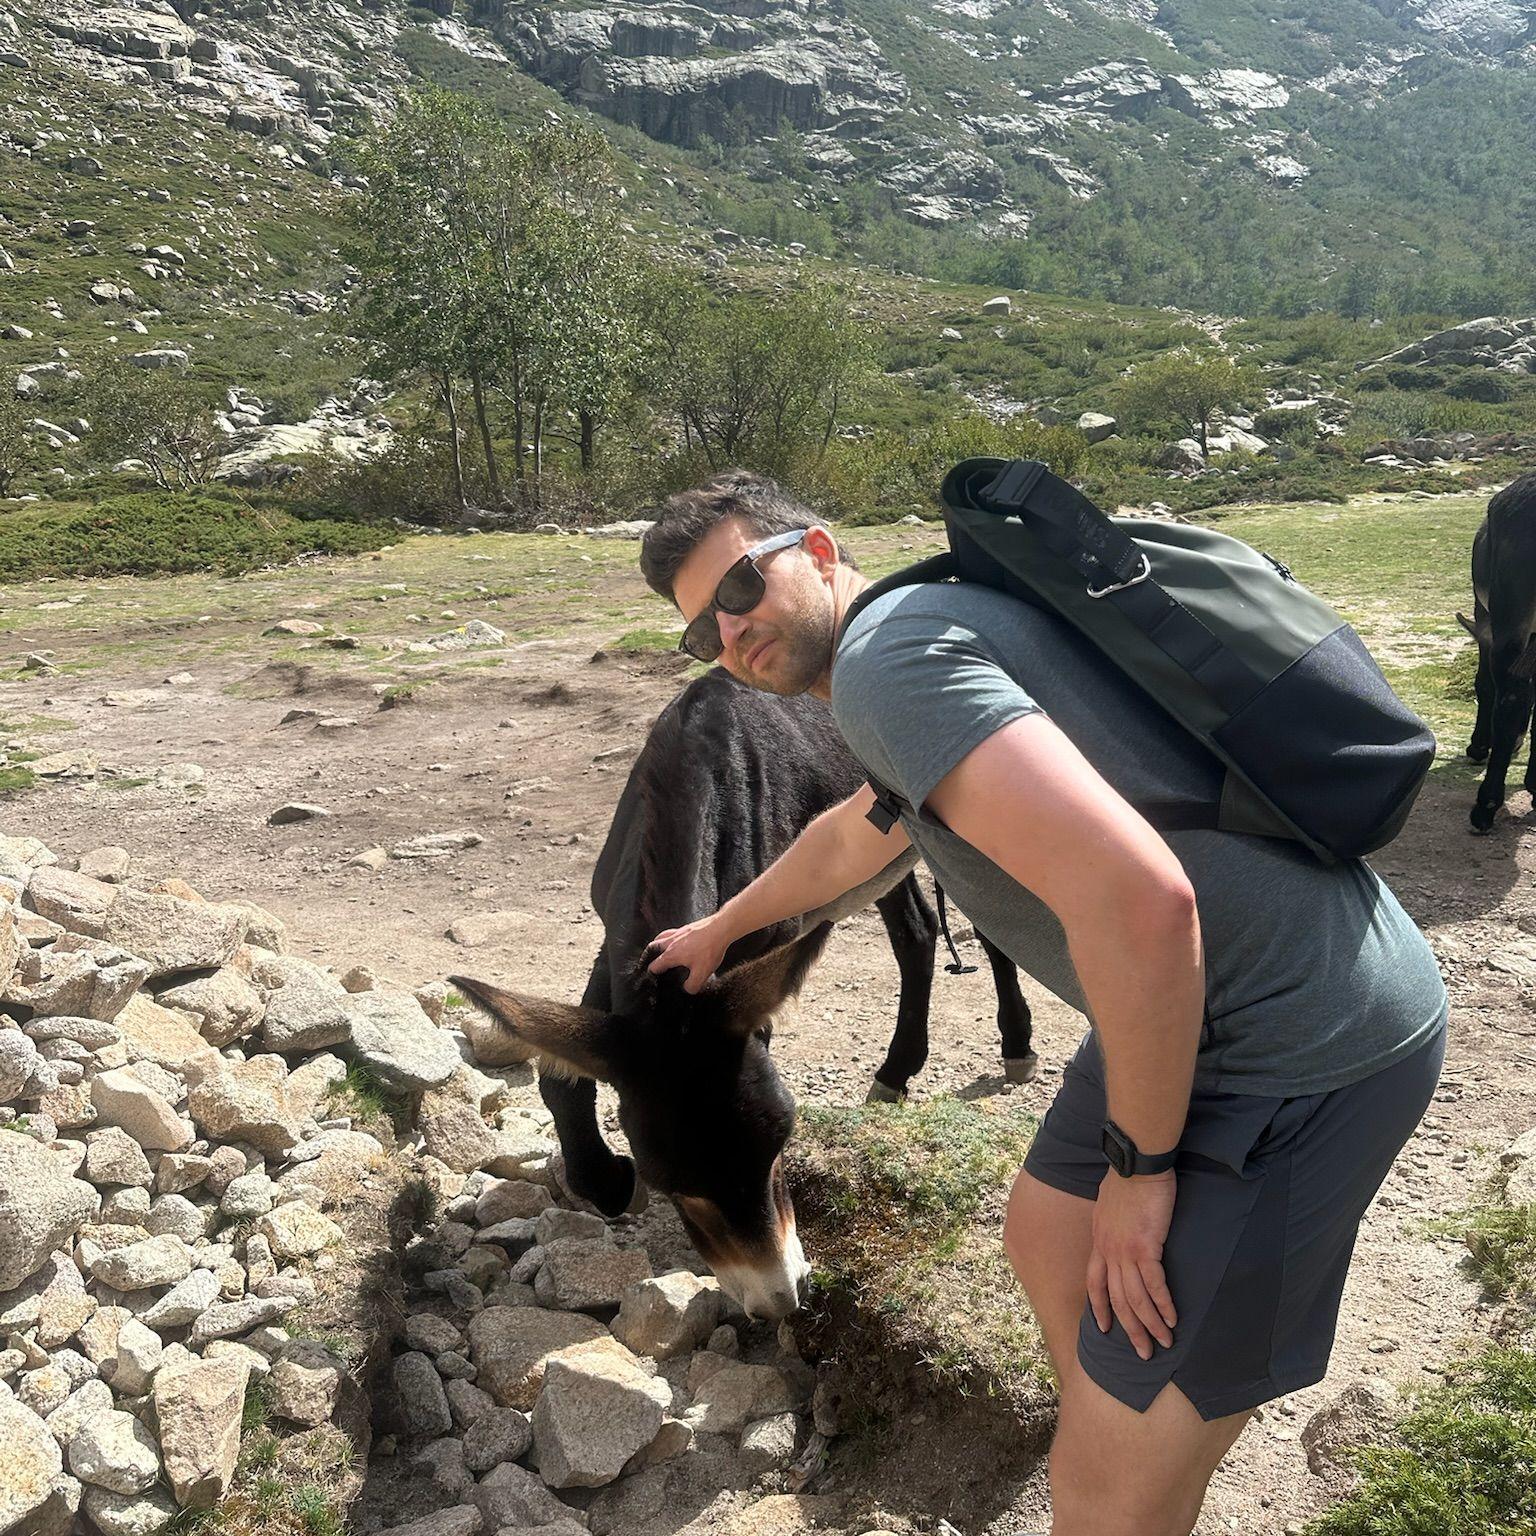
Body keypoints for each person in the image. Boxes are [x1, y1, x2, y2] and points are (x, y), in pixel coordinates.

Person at [638, 471, 1448, 1536]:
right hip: (1194, 1008)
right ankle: (1137, 1446)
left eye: (741, 585)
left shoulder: (890, 666)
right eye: (704, 632)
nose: (733, 631)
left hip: (1302, 1038)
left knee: (1099, 1494)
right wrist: (720, 928)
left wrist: (1144, 1169)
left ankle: (1129, 1470)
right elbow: (859, 834)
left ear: (821, 550)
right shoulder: (914, 636)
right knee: (1047, 1233)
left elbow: (1144, 906)